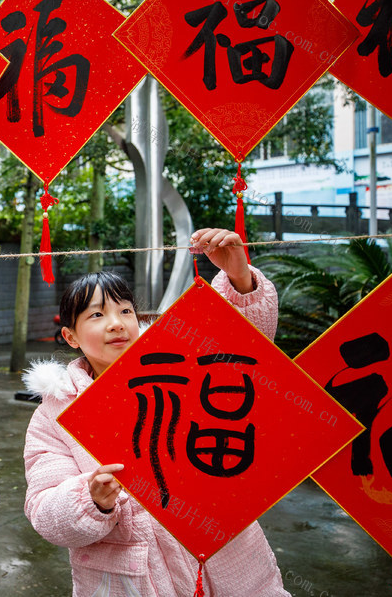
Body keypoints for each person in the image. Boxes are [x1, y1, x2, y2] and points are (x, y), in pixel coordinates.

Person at [22, 228, 291, 596]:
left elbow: (240, 352)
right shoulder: (54, 416)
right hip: (131, 581)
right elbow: (44, 511)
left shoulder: (180, 364)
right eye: (97, 314)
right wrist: (92, 498)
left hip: (230, 561)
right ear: (70, 336)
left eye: (125, 310)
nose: (117, 322)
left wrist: (239, 278)